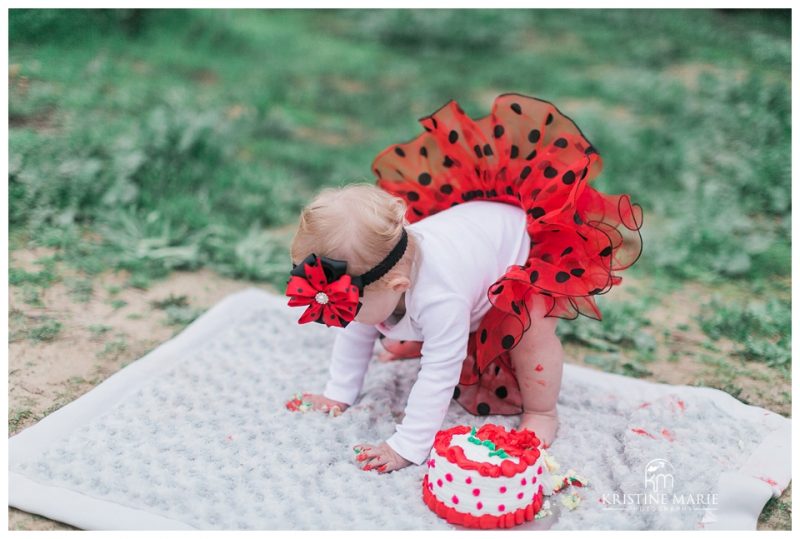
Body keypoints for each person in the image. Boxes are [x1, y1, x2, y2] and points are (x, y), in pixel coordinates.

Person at [285, 93, 644, 474]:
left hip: (521, 252)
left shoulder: (441, 299)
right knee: (387, 325)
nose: (334, 314)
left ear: (398, 285)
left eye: (344, 306)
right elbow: (355, 329)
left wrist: (406, 445)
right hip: (474, 237)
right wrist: (337, 394)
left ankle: (544, 412)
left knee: (529, 337)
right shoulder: (382, 285)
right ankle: (409, 334)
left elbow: (440, 371)